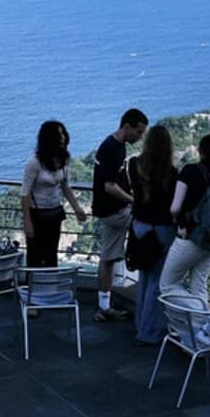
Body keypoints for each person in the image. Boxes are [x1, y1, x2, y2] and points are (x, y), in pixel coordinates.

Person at [159, 133, 210, 342]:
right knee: (198, 286)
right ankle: (199, 338)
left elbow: (175, 207)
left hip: (190, 238)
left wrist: (178, 220)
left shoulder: (190, 171)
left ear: (201, 151)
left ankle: (208, 316)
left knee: (167, 286)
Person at [122, 125, 177, 345]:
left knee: (144, 277)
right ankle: (150, 331)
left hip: (140, 227)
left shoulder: (134, 165)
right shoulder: (171, 173)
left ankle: (141, 323)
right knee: (157, 281)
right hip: (162, 229)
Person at [91, 108, 148, 322]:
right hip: (116, 210)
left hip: (105, 210)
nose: (139, 137)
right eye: (138, 132)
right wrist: (134, 201)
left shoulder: (111, 144)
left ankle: (104, 305)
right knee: (150, 227)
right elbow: (109, 186)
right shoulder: (114, 150)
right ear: (127, 126)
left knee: (107, 258)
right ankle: (147, 291)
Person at [21, 120, 87, 268]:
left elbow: (65, 187)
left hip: (54, 212)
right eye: (59, 134)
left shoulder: (64, 160)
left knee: (51, 254)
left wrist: (77, 208)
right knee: (35, 256)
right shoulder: (34, 163)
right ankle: (34, 282)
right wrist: (27, 222)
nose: (62, 137)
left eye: (63, 133)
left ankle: (51, 281)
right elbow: (25, 194)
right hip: (36, 214)